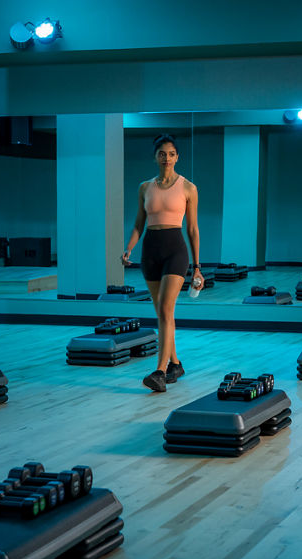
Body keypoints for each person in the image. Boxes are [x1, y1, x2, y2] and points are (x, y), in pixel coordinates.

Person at [121, 134, 204, 393]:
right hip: (150, 251)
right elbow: (138, 224)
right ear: (155, 157)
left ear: (177, 157)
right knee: (162, 313)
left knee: (167, 309)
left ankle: (160, 371)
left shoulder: (188, 187)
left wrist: (198, 266)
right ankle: (176, 363)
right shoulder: (145, 187)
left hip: (175, 251)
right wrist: (129, 247)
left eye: (171, 153)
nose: (166, 158)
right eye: (162, 153)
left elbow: (192, 228)